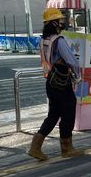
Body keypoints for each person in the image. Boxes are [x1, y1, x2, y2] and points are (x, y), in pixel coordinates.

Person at [28, 8, 83, 161]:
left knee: (53, 114)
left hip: (51, 82)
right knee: (68, 112)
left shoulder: (43, 40)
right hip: (62, 83)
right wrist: (78, 77)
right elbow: (72, 60)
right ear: (53, 23)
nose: (62, 22)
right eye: (60, 20)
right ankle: (67, 149)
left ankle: (35, 146)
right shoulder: (59, 41)